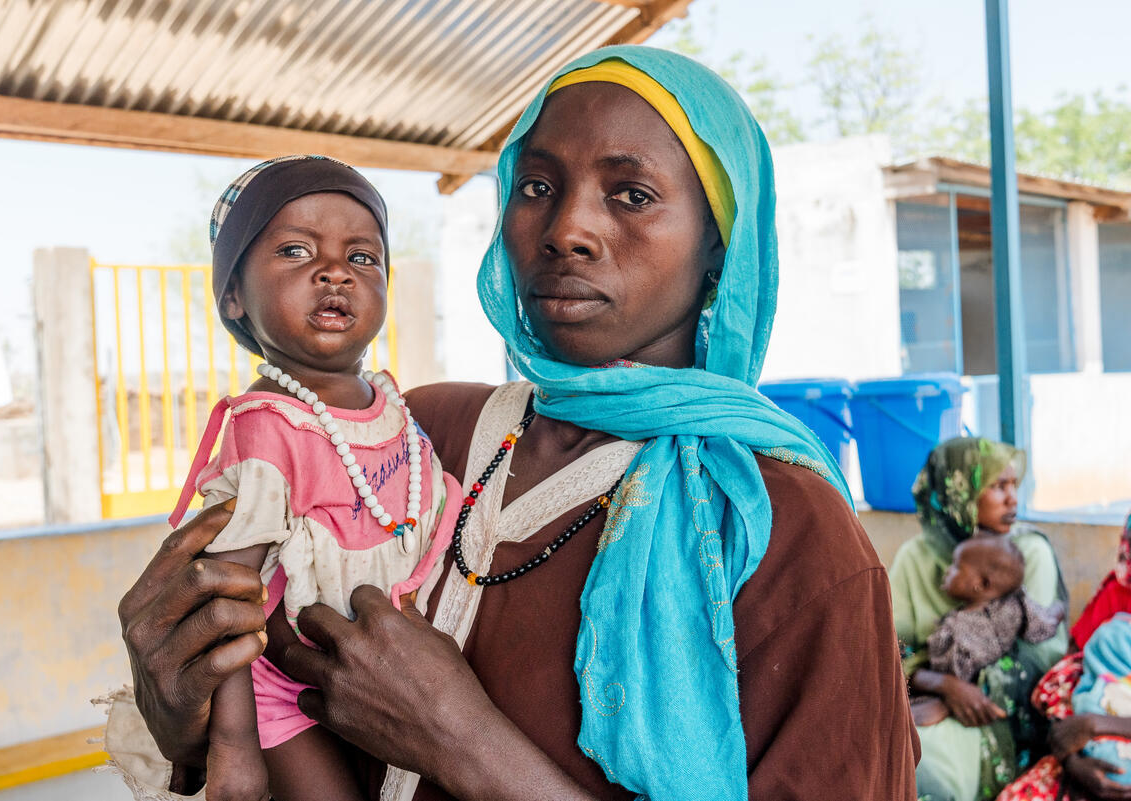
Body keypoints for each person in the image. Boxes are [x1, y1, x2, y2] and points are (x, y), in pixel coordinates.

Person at [110, 45, 918, 800]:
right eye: (536, 187)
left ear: (717, 246)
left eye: (631, 195)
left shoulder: (787, 533)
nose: (567, 229)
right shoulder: (415, 431)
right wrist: (177, 700)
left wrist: (460, 738)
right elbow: (254, 679)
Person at [163, 155, 459, 801]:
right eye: (296, 250)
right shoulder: (265, 426)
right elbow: (227, 603)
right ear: (234, 295)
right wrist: (234, 746)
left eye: (363, 257)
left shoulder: (391, 407)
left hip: (387, 669)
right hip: (284, 689)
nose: (334, 272)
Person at [890, 437, 1069, 801]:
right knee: (877, 742)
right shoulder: (915, 557)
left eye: (1013, 485)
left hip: (999, 712)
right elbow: (889, 650)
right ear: (958, 493)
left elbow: (1041, 658)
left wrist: (972, 692)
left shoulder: (1028, 552)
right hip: (924, 695)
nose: (1011, 498)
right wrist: (942, 687)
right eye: (997, 486)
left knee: (923, 758)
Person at [996, 511, 1131, 801]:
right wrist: (1074, 762)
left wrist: (1095, 724)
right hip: (1087, 753)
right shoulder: (1116, 595)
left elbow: (1087, 723)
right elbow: (1070, 685)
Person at [929, 536, 1064, 684]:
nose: (948, 570)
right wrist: (1057, 611)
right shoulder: (1017, 606)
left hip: (972, 689)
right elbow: (1043, 624)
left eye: (956, 566)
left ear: (981, 583)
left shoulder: (953, 628)